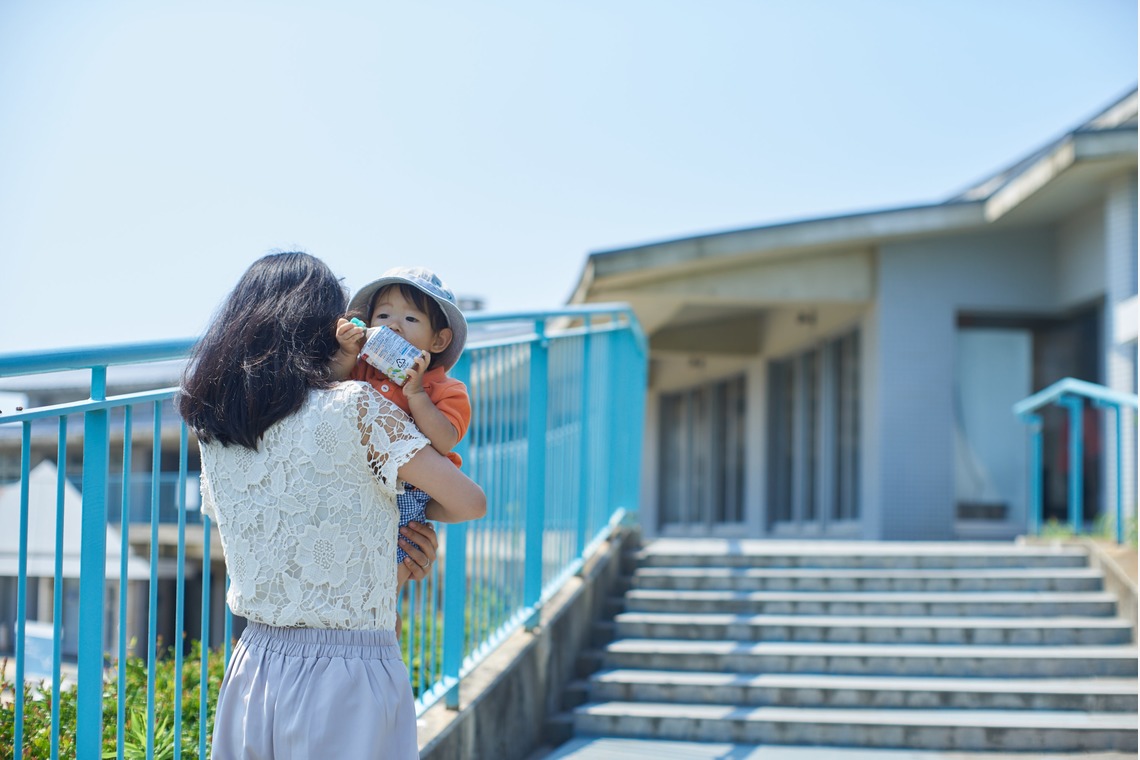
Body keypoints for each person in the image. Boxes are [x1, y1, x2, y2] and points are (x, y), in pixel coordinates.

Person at [179, 251, 485, 759]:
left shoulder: (214, 427)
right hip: (348, 673)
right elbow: (470, 501)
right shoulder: (354, 405)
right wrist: (403, 524)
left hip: (254, 666)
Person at [330, 266, 471, 564]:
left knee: (400, 560)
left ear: (438, 341)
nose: (393, 326)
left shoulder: (446, 389)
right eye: (383, 317)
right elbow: (330, 390)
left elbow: (444, 441)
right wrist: (346, 352)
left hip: (409, 492)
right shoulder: (362, 370)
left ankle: (388, 606)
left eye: (410, 319)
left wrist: (417, 394)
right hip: (358, 483)